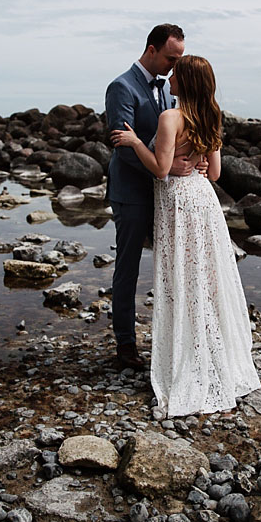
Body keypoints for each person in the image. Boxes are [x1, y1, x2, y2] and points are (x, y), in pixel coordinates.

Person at [110, 55, 261, 417]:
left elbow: (161, 170)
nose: (170, 77)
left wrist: (133, 142)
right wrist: (200, 162)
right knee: (205, 280)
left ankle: (188, 358)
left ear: (187, 82)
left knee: (181, 279)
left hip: (177, 204)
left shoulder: (170, 117)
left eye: (176, 73)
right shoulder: (212, 116)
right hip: (204, 203)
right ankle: (211, 352)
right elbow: (215, 173)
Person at [104, 24, 206, 370]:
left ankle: (175, 345)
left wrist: (194, 162)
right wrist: (163, 168)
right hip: (132, 193)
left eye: (178, 60)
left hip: (166, 195)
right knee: (128, 270)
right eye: (170, 58)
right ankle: (126, 346)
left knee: (172, 268)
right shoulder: (121, 87)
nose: (174, 66)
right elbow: (122, 145)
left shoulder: (168, 90)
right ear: (151, 50)